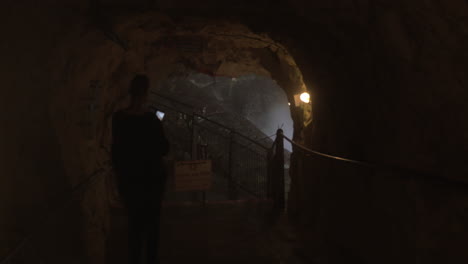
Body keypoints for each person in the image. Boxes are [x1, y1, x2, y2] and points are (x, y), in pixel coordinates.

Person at [111, 74, 169, 264]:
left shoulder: (118, 119)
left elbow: (116, 151)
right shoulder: (152, 120)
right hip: (152, 180)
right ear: (146, 94)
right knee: (152, 227)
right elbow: (164, 148)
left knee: (134, 226)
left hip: (129, 181)